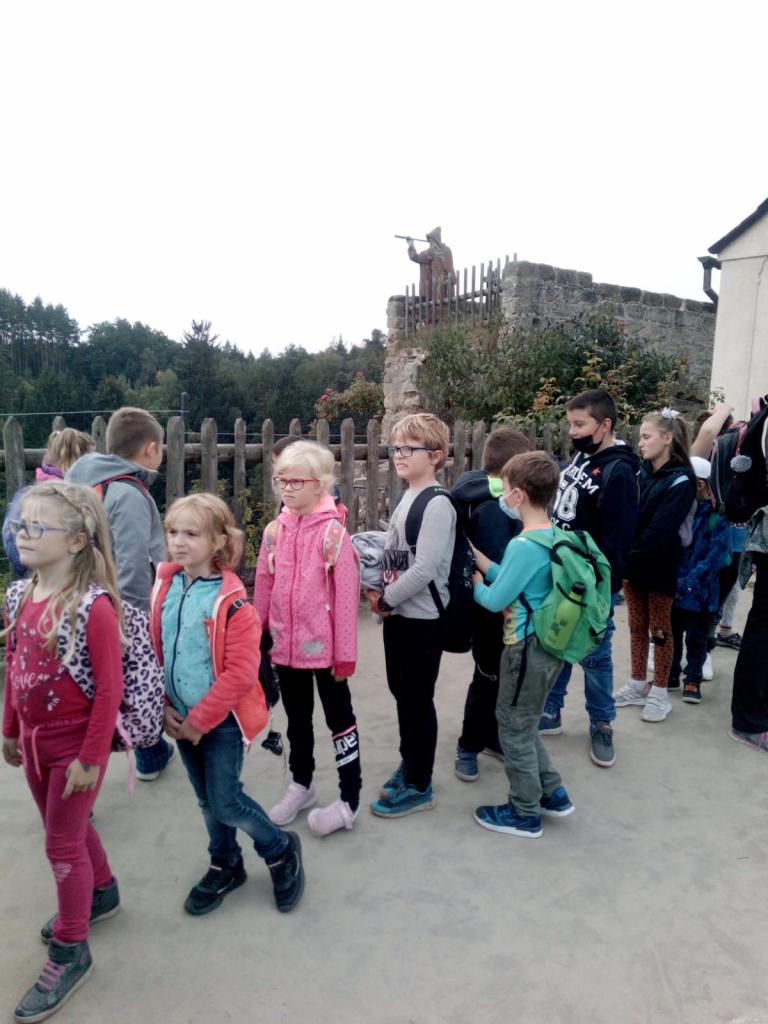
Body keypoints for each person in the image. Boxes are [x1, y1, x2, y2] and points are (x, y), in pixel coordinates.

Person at [2, 482, 124, 1022]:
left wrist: (91, 758)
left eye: (37, 526)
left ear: (76, 540)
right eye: (19, 524)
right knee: (65, 829)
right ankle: (103, 891)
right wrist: (10, 727)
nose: (22, 534)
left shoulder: (93, 607)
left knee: (60, 846)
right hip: (32, 743)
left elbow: (110, 690)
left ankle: (72, 949)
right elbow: (15, 667)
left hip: (75, 746)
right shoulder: (19, 595)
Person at [153, 493, 305, 914]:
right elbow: (156, 650)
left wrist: (200, 721)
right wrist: (163, 706)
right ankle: (226, 863)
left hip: (221, 722)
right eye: (172, 532)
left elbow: (240, 673)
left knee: (226, 800)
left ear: (219, 541)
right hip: (179, 716)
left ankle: (279, 849)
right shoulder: (165, 586)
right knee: (206, 799)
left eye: (191, 533)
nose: (178, 541)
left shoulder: (234, 604)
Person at [254, 441, 362, 837]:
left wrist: (345, 655)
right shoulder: (274, 532)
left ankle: (349, 798)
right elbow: (263, 584)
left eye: (296, 481)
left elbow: (347, 598)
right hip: (285, 648)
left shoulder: (334, 535)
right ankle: (302, 783)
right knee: (297, 720)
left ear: (320, 485)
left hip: (328, 653)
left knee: (339, 721)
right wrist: (259, 634)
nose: (286, 488)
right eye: (281, 480)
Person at [471, 452, 575, 838]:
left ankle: (524, 811)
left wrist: (475, 583)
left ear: (518, 495)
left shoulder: (522, 545)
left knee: (512, 727)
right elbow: (520, 580)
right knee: (527, 722)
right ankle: (552, 792)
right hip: (549, 648)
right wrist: (481, 560)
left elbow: (496, 599)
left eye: (505, 489)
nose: (502, 497)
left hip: (524, 650)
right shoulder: (553, 536)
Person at [66, 407, 171, 781]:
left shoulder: (82, 483)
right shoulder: (127, 493)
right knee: (136, 680)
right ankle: (149, 756)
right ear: (151, 448)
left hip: (81, 600)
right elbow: (132, 562)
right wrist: (137, 621)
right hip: (118, 606)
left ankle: (74, 761)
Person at [540, 389, 640, 769]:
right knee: (559, 641)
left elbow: (617, 542)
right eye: (570, 423)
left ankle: (602, 723)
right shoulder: (583, 456)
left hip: (592, 584)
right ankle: (551, 710)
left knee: (595, 656)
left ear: (605, 425)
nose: (572, 431)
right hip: (563, 574)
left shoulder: (620, 472)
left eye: (579, 424)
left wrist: (600, 592)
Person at [366, 413, 456, 818]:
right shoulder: (408, 495)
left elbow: (424, 568)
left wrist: (385, 600)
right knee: (402, 693)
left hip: (421, 619)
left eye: (409, 448)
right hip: (399, 615)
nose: (399, 455)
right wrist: (376, 587)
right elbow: (397, 554)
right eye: (396, 447)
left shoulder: (437, 504)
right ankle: (410, 762)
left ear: (435, 455)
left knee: (418, 700)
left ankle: (421, 784)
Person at [452, 427, 531, 781]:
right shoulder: (495, 508)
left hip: (487, 602)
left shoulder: (476, 489)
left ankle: (491, 736)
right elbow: (497, 562)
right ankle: (469, 745)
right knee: (489, 677)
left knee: (497, 677)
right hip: (494, 607)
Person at [616, 409, 696, 723]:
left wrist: (625, 561)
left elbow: (659, 531)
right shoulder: (641, 472)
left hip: (660, 565)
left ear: (667, 438)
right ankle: (638, 684)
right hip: (632, 565)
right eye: (641, 437)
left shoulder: (682, 480)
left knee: (660, 630)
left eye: (646, 436)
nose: (641, 443)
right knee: (636, 626)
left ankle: (660, 692)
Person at [668, 457, 731, 703]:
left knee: (697, 640)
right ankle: (671, 674)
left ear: (701, 485)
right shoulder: (679, 511)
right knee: (671, 637)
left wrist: (686, 584)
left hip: (701, 595)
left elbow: (714, 559)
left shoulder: (717, 518)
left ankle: (692, 679)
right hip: (674, 589)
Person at [3, 428, 95, 577]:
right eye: (92, 462)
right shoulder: (68, 499)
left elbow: (10, 538)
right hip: (70, 578)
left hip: (34, 579)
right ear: (75, 461)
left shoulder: (27, 496)